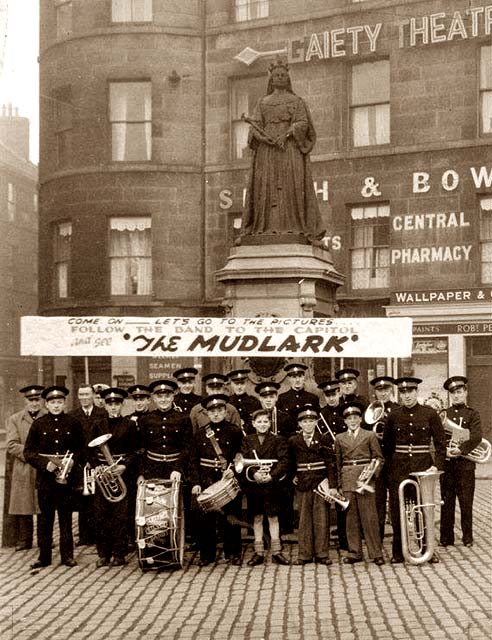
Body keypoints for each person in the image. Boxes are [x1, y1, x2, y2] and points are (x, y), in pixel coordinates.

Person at [240, 58, 325, 245]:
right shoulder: (262, 102)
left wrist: (287, 134)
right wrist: (265, 138)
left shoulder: (296, 101)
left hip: (289, 151)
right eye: (276, 75)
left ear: (288, 79)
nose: (280, 78)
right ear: (271, 79)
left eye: (283, 75)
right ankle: (264, 228)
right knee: (266, 187)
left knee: (290, 187)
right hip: (267, 153)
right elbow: (255, 126)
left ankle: (295, 227)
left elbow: (302, 123)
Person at [382, 377, 446, 564]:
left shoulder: (430, 413)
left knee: (423, 508)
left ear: (416, 392)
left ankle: (428, 549)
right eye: (403, 392)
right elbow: (387, 446)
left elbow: (441, 444)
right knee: (397, 510)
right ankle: (398, 552)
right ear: (399, 394)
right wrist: (390, 468)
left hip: (423, 466)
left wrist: (437, 466)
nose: (407, 396)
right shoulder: (393, 415)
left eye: (410, 392)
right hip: (398, 468)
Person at [24, 386, 84, 569]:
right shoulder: (38, 424)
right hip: (46, 480)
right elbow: (28, 452)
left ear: (64, 403)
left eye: (59, 402)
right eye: (52, 403)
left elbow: (81, 449)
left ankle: (67, 556)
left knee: (65, 518)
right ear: (46, 404)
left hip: (66, 479)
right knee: (45, 519)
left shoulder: (73, 423)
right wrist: (45, 465)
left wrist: (73, 461)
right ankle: (44, 557)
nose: (56, 406)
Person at [190, 394, 243, 566]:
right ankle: (207, 554)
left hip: (226, 477)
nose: (216, 414)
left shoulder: (235, 431)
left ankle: (233, 552)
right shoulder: (200, 434)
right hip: (206, 478)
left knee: (231, 516)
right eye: (212, 411)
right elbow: (193, 460)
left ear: (225, 411)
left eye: (220, 410)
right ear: (207, 413)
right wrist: (196, 482)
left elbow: (241, 455)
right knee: (206, 518)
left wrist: (234, 470)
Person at [90, 387, 139, 567]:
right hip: (103, 473)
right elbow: (89, 451)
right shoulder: (97, 424)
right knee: (101, 515)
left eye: (116, 404)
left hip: (121, 473)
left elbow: (136, 451)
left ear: (121, 405)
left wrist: (124, 465)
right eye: (109, 404)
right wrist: (98, 466)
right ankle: (103, 553)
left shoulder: (130, 425)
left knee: (121, 516)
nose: (113, 407)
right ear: (104, 405)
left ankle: (119, 553)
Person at [335, 401, 385, 565]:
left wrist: (372, 472)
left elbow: (378, 457)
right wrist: (339, 484)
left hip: (366, 479)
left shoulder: (369, 435)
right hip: (348, 478)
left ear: (360, 419)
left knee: (369, 516)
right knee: (351, 518)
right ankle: (355, 552)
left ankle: (376, 553)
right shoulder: (339, 438)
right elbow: (338, 462)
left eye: (356, 417)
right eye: (349, 419)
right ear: (345, 421)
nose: (353, 421)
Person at [240, 409, 290, 566]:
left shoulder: (278, 440)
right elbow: (244, 458)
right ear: (254, 424)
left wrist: (272, 475)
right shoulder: (247, 440)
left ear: (270, 423)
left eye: (265, 422)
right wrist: (254, 473)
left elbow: (284, 461)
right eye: (259, 422)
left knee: (273, 517)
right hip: (255, 485)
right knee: (257, 517)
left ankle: (276, 551)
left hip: (272, 485)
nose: (262, 424)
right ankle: (258, 552)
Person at [289, 404, 336, 565]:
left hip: (320, 482)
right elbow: (290, 462)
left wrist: (331, 484)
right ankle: (304, 554)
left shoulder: (324, 439)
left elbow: (330, 463)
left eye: (311, 421)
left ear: (316, 422)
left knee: (321, 518)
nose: (308, 424)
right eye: (304, 422)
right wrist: (292, 476)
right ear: (299, 424)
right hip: (302, 483)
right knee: (304, 519)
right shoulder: (294, 440)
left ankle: (322, 554)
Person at [440, 376, 482, 549]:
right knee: (446, 502)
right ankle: (446, 537)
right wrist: (446, 450)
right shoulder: (445, 414)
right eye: (453, 393)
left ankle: (467, 537)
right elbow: (439, 437)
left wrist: (462, 450)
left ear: (465, 392)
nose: (456, 396)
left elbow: (476, 437)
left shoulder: (473, 414)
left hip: (465, 466)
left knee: (466, 502)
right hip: (448, 465)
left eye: (459, 392)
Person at [5, 385, 46, 551]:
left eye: (37, 400)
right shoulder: (15, 419)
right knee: (24, 504)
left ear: (42, 401)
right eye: (31, 400)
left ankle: (45, 539)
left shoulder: (48, 417)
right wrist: (31, 454)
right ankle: (25, 540)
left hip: (44, 466)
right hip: (24, 466)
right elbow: (12, 445)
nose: (34, 403)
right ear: (25, 401)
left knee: (44, 505)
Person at [255, 381, 297, 535]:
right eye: (265, 397)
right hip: (261, 466)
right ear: (260, 399)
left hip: (281, 465)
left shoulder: (285, 417)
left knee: (282, 498)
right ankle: (264, 534)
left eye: (271, 397)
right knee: (261, 502)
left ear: (276, 398)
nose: (268, 400)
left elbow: (291, 443)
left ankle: (282, 533)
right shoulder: (255, 418)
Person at [70, 384, 107, 546]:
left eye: (87, 394)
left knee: (97, 499)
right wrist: (80, 459)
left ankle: (99, 535)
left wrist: (95, 460)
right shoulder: (73, 415)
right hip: (80, 463)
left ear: (93, 396)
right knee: (82, 499)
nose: (84, 397)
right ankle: (84, 537)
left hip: (97, 461)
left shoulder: (102, 413)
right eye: (81, 394)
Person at [369, 376, 400, 541]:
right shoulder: (371, 410)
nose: (383, 393)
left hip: (394, 461)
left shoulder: (397, 409)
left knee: (396, 501)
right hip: (377, 462)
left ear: (391, 391)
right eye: (380, 390)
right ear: (375, 392)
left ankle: (398, 539)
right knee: (377, 502)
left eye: (386, 390)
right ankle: (377, 540)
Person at [318, 379, 347, 551]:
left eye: (334, 394)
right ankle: (324, 542)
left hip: (344, 460)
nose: (331, 398)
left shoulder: (346, 412)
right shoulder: (320, 414)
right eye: (327, 395)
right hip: (327, 461)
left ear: (339, 393)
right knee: (326, 501)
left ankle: (345, 540)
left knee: (344, 501)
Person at [227, 369, 261, 434]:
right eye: (236, 384)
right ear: (231, 384)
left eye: (242, 383)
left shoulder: (254, 402)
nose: (239, 387)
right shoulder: (228, 402)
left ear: (247, 383)